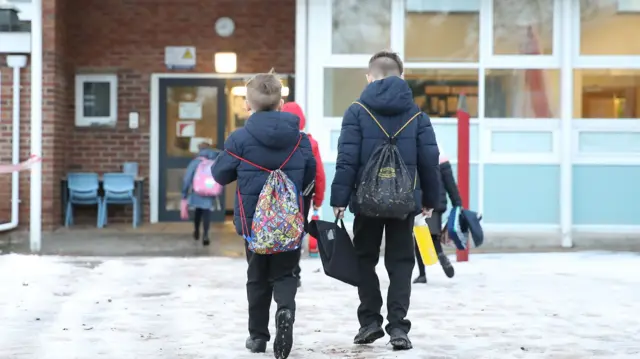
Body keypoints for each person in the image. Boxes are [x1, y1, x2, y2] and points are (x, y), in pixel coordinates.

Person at [330, 50, 441, 351]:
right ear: (401, 76)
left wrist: (339, 198)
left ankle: (369, 322)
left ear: (369, 77)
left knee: (364, 259)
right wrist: (431, 199)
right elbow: (430, 161)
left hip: (366, 202)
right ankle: (398, 328)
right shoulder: (418, 115)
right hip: (404, 203)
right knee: (401, 262)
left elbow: (346, 160)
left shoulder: (356, 112)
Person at [212, 72, 316, 359]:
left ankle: (258, 337)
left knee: (256, 277)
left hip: (253, 225)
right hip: (288, 223)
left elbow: (220, 175)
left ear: (248, 105)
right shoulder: (300, 139)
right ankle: (285, 310)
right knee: (285, 273)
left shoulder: (239, 139)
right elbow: (310, 176)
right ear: (282, 102)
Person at [281, 102, 326, 288]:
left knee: (280, 230)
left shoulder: (276, 141)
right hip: (303, 196)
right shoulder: (310, 143)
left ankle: (281, 270)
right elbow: (319, 174)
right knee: (297, 233)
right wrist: (318, 200)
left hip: (280, 195)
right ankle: (295, 271)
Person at [413, 152, 460, 283]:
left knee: (419, 238)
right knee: (433, 236)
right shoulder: (442, 158)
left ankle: (422, 274)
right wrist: (457, 203)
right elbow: (450, 184)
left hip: (421, 202)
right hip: (437, 204)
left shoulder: (417, 155)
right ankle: (440, 255)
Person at [181, 142, 220, 246]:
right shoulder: (214, 161)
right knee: (207, 211)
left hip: (197, 191)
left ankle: (197, 230)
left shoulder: (196, 162)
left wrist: (184, 194)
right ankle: (206, 234)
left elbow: (187, 179)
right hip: (209, 189)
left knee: (198, 210)